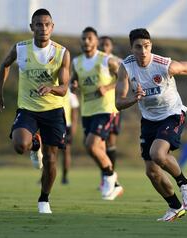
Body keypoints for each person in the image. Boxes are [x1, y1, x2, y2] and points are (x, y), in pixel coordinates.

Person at [115, 28, 187, 222]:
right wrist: (133, 99)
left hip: (172, 114)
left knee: (158, 154)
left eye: (146, 46)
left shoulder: (164, 65)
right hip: (149, 120)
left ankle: (184, 183)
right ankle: (175, 206)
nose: (143, 51)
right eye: (138, 47)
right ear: (132, 49)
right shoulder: (125, 67)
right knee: (151, 171)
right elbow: (118, 103)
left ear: (150, 46)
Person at [0, 8, 70, 213]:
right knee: (19, 145)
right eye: (38, 24)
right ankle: (35, 144)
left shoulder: (62, 53)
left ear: (52, 27)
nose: (43, 28)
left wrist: (51, 88)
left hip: (53, 111)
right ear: (31, 27)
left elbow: (64, 88)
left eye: (46, 24)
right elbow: (5, 65)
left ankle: (44, 199)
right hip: (27, 109)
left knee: (52, 159)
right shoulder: (20, 48)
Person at [70, 27, 122, 200]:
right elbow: (73, 82)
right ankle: (114, 181)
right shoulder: (76, 62)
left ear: (96, 41)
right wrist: (73, 86)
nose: (86, 41)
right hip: (88, 111)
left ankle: (109, 176)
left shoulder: (107, 60)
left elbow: (123, 78)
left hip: (106, 109)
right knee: (96, 149)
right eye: (83, 38)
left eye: (89, 38)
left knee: (91, 145)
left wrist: (107, 87)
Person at [98, 36, 122, 184]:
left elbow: (122, 81)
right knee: (97, 145)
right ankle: (107, 177)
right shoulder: (93, 60)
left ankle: (110, 178)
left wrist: (107, 88)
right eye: (101, 45)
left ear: (111, 47)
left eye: (106, 45)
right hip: (95, 108)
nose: (104, 47)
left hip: (112, 108)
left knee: (110, 143)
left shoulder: (117, 62)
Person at [61, 88, 79, 184]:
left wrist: (73, 130)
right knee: (49, 151)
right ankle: (44, 176)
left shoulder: (70, 94)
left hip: (66, 126)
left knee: (66, 152)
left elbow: (75, 114)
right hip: (52, 124)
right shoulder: (51, 88)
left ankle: (65, 176)